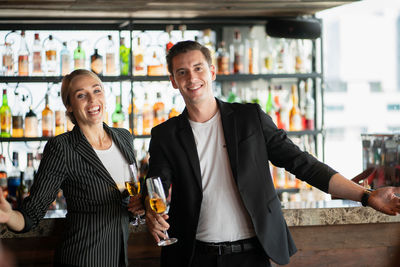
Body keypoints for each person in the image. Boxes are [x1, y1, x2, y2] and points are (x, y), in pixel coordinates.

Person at [144, 41, 400, 267]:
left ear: (212, 72)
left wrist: (366, 196)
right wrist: (150, 211)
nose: (192, 77)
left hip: (251, 254)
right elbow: (155, 189)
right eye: (182, 72)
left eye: (198, 68)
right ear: (173, 81)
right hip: (194, 257)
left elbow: (303, 164)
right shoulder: (165, 134)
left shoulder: (249, 118)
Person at [0, 69, 144, 267]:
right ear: (69, 106)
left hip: (119, 257)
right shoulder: (62, 147)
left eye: (97, 91)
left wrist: (140, 207)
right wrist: (9, 216)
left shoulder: (124, 138)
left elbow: (127, 200)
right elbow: (34, 211)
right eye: (81, 95)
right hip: (82, 258)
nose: (92, 100)